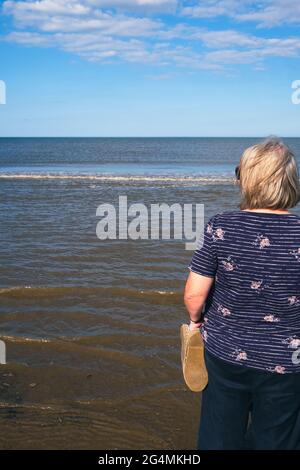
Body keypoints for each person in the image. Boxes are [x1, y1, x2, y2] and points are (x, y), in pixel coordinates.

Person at [184, 137, 300, 450]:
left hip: (225, 352)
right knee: (277, 438)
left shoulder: (221, 225)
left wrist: (196, 322)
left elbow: (194, 296)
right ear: (290, 182)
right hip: (288, 359)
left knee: (219, 435)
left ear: (245, 180)